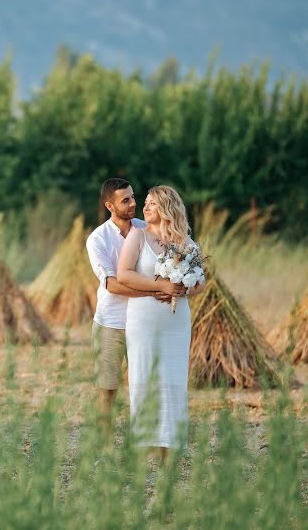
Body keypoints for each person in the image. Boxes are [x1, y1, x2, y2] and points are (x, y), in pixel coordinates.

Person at [116, 185, 205, 461]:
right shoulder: (138, 236)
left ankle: (169, 444)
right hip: (143, 320)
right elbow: (124, 275)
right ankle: (144, 445)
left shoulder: (187, 244)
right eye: (145, 203)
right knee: (143, 377)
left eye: (152, 204)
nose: (145, 207)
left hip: (175, 324)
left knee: (173, 379)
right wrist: (163, 286)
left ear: (167, 208)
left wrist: (183, 288)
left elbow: (200, 282)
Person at [85, 178, 174, 437]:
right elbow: (111, 284)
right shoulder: (97, 240)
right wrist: (156, 290)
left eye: (134, 197)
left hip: (145, 320)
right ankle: (104, 444)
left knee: (148, 383)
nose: (134, 203)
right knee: (108, 388)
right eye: (126, 200)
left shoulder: (146, 228)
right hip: (111, 322)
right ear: (109, 205)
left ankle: (149, 437)